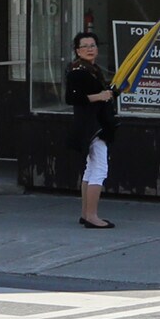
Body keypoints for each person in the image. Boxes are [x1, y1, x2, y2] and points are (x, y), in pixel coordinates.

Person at [65, 31, 116, 228]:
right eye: (84, 46)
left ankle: (86, 214)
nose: (89, 49)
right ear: (78, 51)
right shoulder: (78, 71)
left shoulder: (92, 70)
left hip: (94, 125)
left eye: (92, 45)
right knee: (100, 169)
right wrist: (100, 96)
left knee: (91, 168)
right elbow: (72, 98)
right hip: (92, 127)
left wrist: (112, 92)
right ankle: (92, 216)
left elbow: (100, 93)